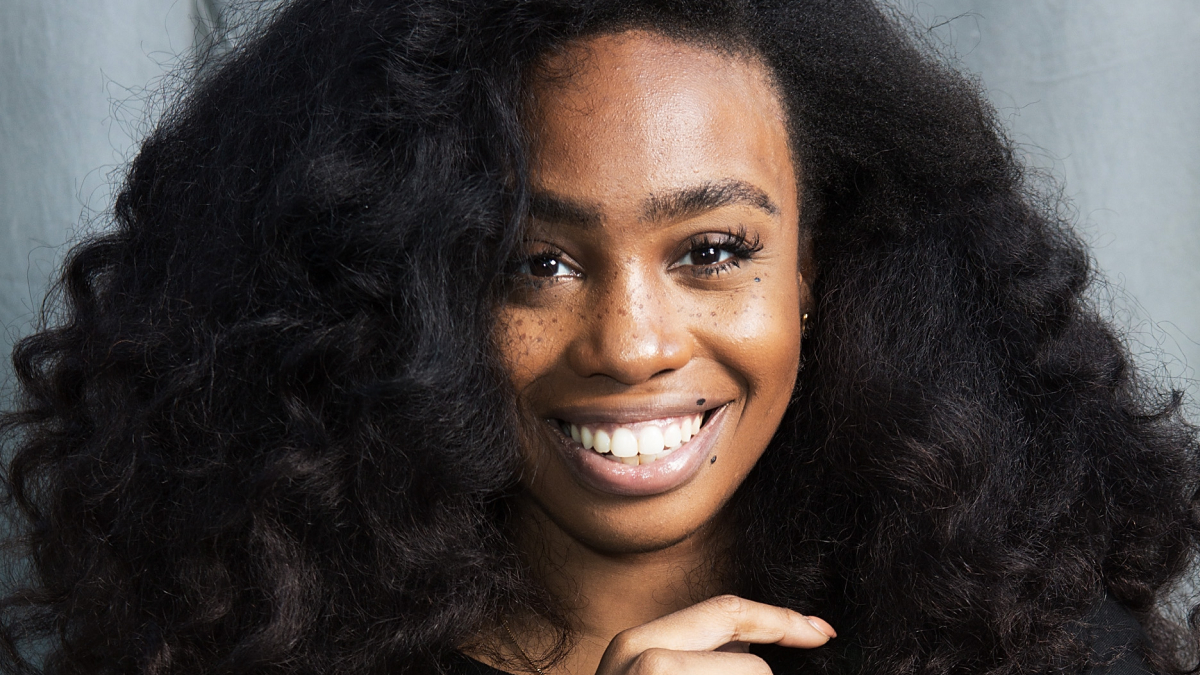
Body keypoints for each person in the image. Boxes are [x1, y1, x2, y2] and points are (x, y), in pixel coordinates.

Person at [1, 1, 1197, 674]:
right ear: (397, 297)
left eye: (713, 252)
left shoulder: (1036, 649)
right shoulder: (220, 657)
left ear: (825, 268)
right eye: (537, 263)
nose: (631, 343)